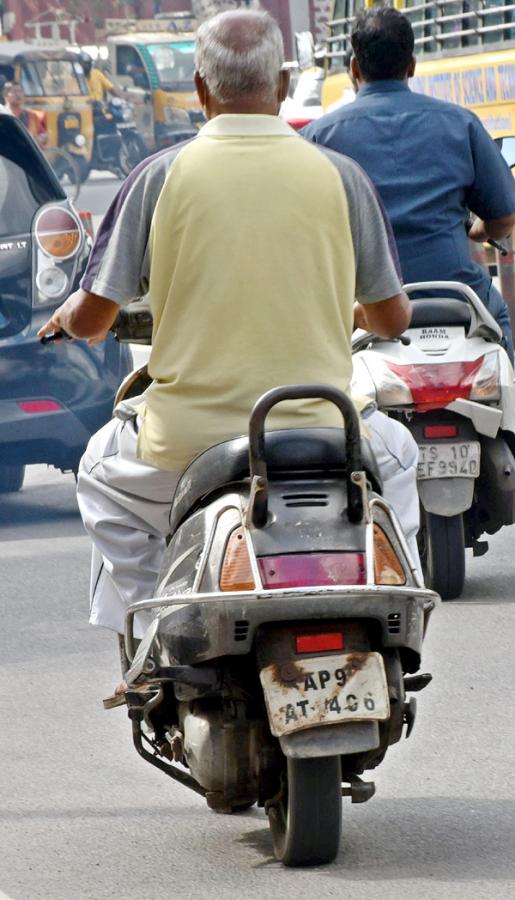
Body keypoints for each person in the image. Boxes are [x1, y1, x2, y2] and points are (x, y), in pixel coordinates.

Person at [38, 9, 419, 646]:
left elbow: (96, 314)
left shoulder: (158, 177)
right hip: (328, 429)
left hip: (185, 444)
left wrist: (66, 319)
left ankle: (156, 630)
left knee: (99, 477)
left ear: (201, 89)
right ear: (282, 83)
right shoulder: (341, 176)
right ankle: (396, 610)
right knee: (402, 457)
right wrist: (344, 310)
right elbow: (392, 316)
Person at [303, 7, 515, 361]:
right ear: (412, 65)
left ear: (354, 69)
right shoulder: (461, 124)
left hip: (364, 306)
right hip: (456, 297)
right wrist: (479, 231)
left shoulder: (317, 137)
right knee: (500, 321)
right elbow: (505, 216)